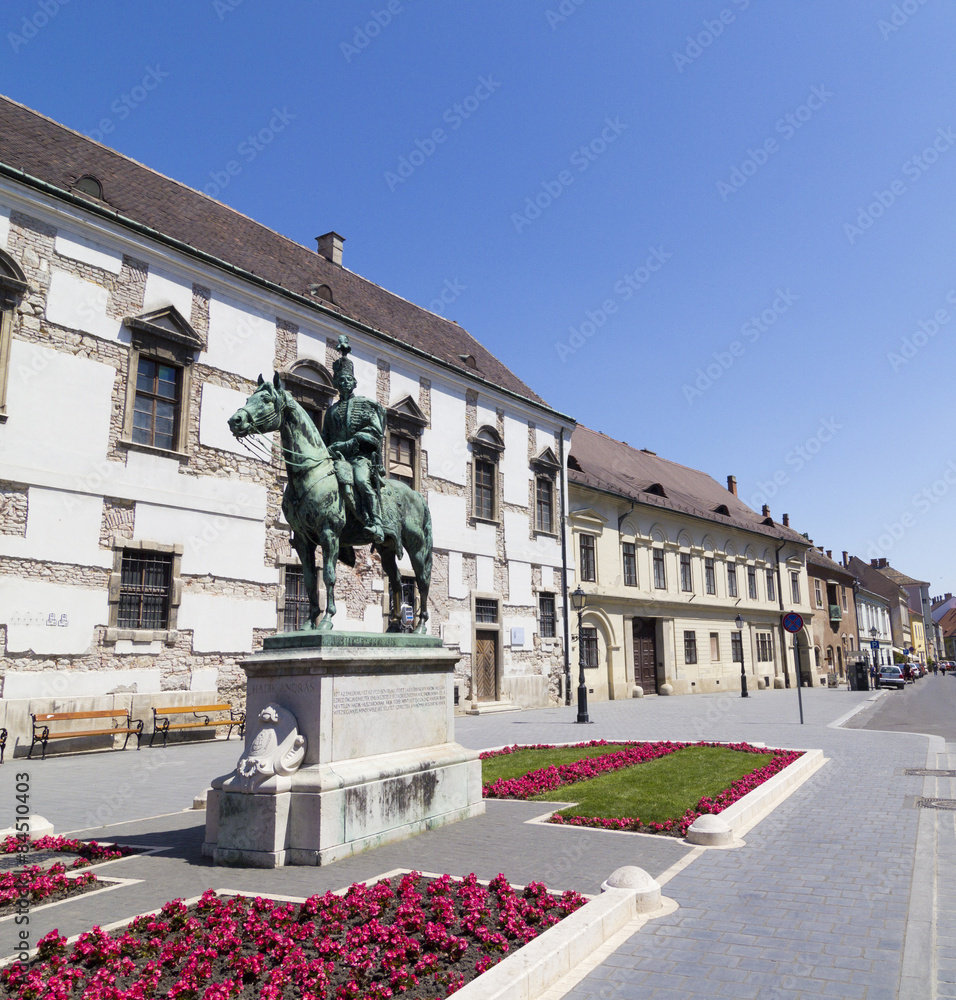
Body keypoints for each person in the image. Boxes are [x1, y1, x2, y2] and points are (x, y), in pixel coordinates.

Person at [321, 336, 387, 544]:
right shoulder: (330, 412)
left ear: (354, 382)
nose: (344, 383)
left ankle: (375, 521)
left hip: (360, 458)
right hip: (336, 459)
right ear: (336, 383)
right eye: (340, 380)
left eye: (348, 380)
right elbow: (325, 437)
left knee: (360, 480)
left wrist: (349, 444)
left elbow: (374, 432)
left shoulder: (366, 405)